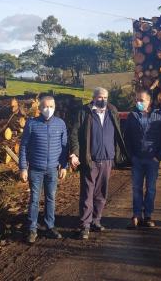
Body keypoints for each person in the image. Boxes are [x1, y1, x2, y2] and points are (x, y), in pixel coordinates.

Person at [69, 87, 129, 240]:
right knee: (87, 193)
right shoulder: (85, 112)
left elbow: (118, 133)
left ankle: (96, 220)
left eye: (105, 97)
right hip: (91, 160)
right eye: (100, 97)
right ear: (94, 97)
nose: (103, 100)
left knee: (101, 193)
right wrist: (74, 153)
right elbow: (74, 133)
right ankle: (85, 226)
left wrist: (117, 153)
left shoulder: (112, 111)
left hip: (107, 158)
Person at [19, 95, 68, 244]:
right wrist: (23, 167)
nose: (48, 109)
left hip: (53, 169)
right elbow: (24, 147)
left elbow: (64, 147)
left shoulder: (60, 124)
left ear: (55, 107)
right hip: (35, 169)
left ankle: (49, 226)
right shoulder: (31, 123)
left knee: (51, 198)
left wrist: (64, 166)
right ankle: (32, 228)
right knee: (34, 199)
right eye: (45, 106)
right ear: (39, 108)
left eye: (51, 106)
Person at [123, 89, 161, 229]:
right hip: (137, 159)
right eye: (137, 100)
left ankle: (148, 215)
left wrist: (159, 156)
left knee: (150, 189)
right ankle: (137, 215)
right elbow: (127, 138)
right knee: (136, 188)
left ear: (149, 101)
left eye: (141, 100)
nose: (138, 102)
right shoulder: (132, 116)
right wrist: (131, 156)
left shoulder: (160, 116)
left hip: (152, 160)